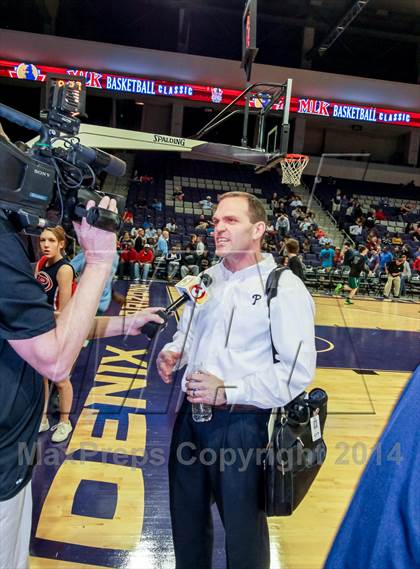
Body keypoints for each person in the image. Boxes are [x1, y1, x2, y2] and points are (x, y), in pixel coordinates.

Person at [0, 196, 164, 569]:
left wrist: (126, 322)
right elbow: (56, 358)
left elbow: (54, 327)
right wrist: (101, 259)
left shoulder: (51, 268)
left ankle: (63, 419)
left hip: (11, 456)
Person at [156, 191, 316, 569]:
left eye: (230, 221)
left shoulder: (284, 286)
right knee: (187, 524)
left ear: (258, 229)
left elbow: (295, 373)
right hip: (190, 421)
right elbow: (191, 331)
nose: (218, 229)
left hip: (243, 425)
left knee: (244, 536)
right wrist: (176, 351)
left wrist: (226, 391)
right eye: (215, 222)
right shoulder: (208, 277)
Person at [35, 226, 78, 443]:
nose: (45, 245)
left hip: (60, 328)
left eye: (51, 240)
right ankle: (43, 418)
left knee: (60, 379)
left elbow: (66, 310)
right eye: (43, 240)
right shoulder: (42, 263)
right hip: (42, 326)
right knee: (41, 376)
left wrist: (44, 315)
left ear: (61, 244)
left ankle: (64, 422)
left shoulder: (64, 269)